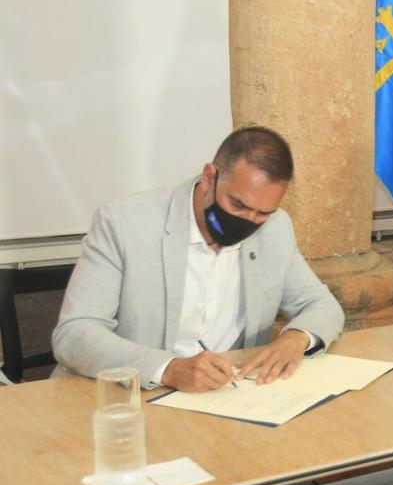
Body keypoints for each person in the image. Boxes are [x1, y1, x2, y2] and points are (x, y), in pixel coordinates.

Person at [52, 126, 345, 392]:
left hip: (225, 398)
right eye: (238, 205)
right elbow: (74, 333)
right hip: (129, 395)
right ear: (210, 177)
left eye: (263, 213)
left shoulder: (275, 228)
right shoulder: (124, 222)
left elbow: (320, 304)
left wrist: (296, 338)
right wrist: (168, 368)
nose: (250, 221)